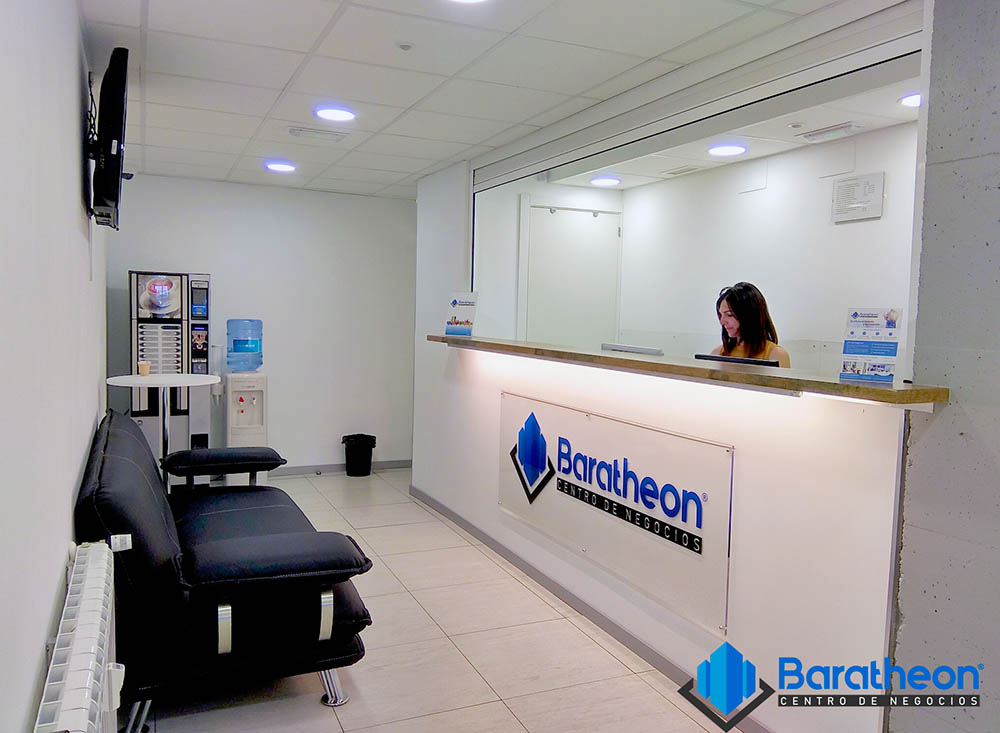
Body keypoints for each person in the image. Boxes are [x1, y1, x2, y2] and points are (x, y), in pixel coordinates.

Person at [710, 282, 791, 367]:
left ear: (749, 315)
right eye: (721, 315)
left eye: (729, 314)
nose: (722, 322)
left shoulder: (776, 354)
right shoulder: (718, 353)